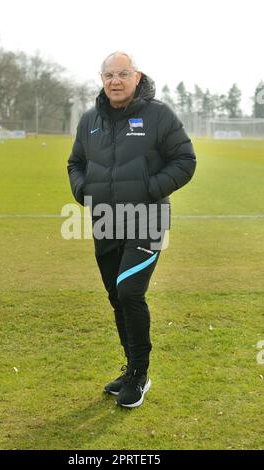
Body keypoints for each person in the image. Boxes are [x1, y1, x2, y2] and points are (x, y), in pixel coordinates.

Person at [67, 51, 196, 408]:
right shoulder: (90, 120)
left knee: (128, 291)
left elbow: (185, 160)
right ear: (102, 79)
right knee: (115, 296)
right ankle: (130, 368)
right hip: (105, 222)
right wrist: (82, 191)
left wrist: (150, 189)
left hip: (147, 221)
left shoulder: (158, 115)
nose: (115, 81)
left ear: (136, 77)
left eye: (123, 73)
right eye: (108, 75)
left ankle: (140, 374)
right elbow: (75, 163)